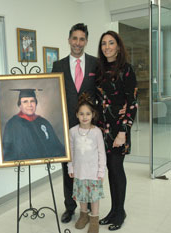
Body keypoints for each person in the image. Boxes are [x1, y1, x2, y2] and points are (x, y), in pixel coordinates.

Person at [51, 23, 97, 223]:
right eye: (75, 38)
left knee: (87, 168)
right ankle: (70, 208)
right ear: (69, 39)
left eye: (82, 39)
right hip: (67, 126)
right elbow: (53, 97)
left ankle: (86, 210)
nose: (78, 43)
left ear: (86, 41)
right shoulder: (58, 66)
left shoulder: (96, 64)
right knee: (69, 168)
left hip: (89, 126)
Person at [96, 31, 138, 231]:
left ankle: (120, 212)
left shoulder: (127, 70)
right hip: (102, 129)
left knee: (116, 168)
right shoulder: (100, 70)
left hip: (119, 130)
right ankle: (113, 210)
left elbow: (133, 103)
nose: (107, 47)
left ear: (118, 47)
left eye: (111, 43)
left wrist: (123, 132)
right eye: (104, 43)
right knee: (110, 171)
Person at [68, 93, 106, 233]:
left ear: (93, 115)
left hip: (93, 172)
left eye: (88, 114)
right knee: (82, 195)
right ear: (77, 115)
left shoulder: (96, 132)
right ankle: (83, 215)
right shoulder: (72, 132)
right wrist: (70, 166)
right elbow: (71, 151)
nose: (85, 117)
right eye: (82, 114)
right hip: (79, 171)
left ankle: (94, 218)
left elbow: (101, 152)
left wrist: (101, 170)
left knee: (94, 197)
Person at [2, 89, 65, 161]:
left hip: (46, 163)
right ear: (20, 105)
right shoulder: (12, 124)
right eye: (25, 102)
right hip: (23, 165)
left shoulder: (43, 122)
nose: (29, 105)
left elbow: (56, 146)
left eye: (32, 101)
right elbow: (7, 152)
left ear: (36, 103)